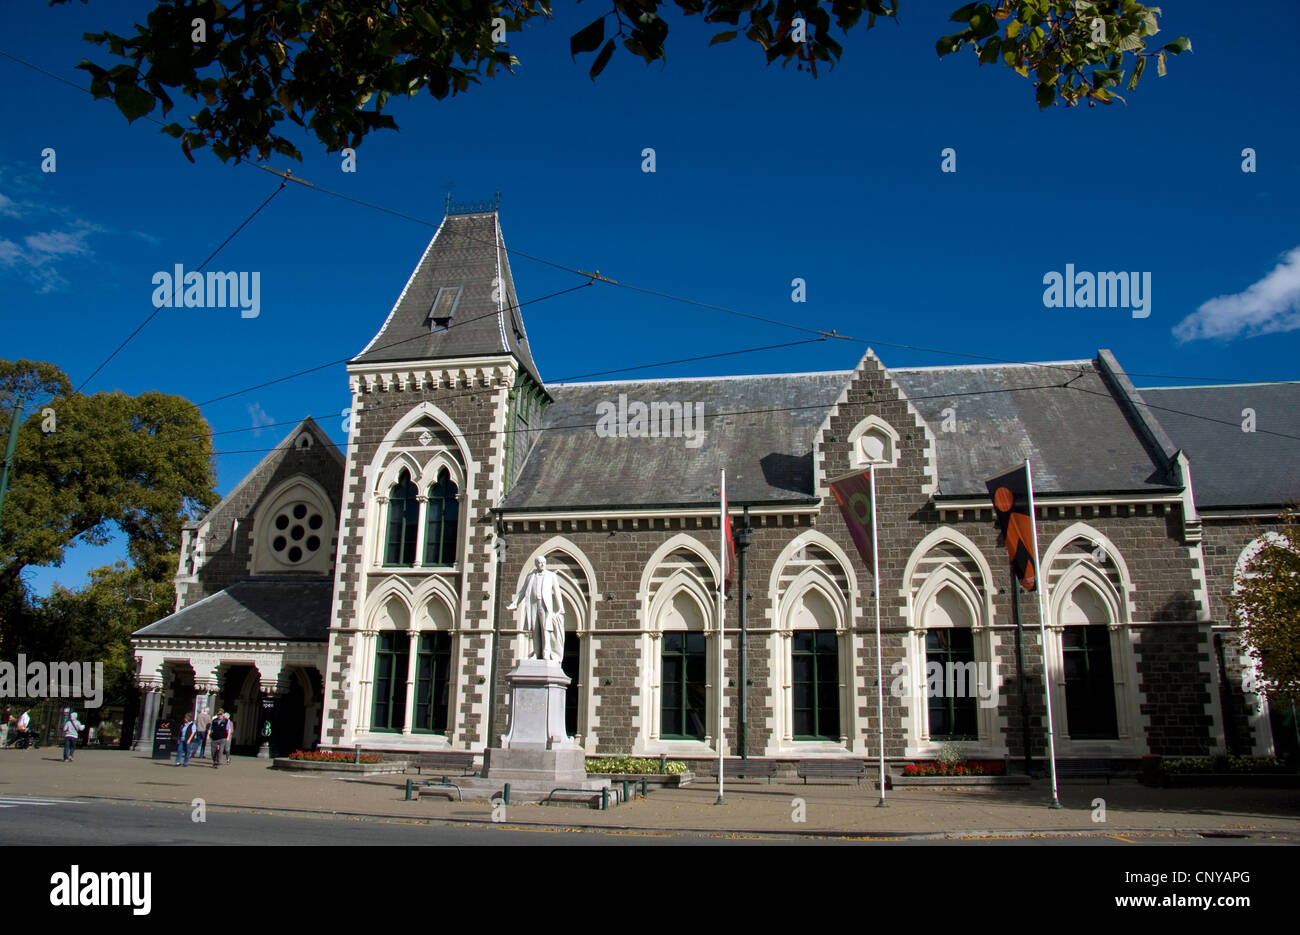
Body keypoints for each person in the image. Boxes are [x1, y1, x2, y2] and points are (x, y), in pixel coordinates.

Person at [507, 555, 566, 662]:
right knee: (535, 630)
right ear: (536, 564)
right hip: (533, 605)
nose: (542, 564)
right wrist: (515, 603)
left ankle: (546, 653)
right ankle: (536, 652)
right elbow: (523, 591)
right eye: (539, 562)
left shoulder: (551, 575)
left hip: (545, 606)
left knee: (546, 629)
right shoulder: (530, 576)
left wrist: (561, 608)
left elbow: (557, 592)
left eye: (544, 562)